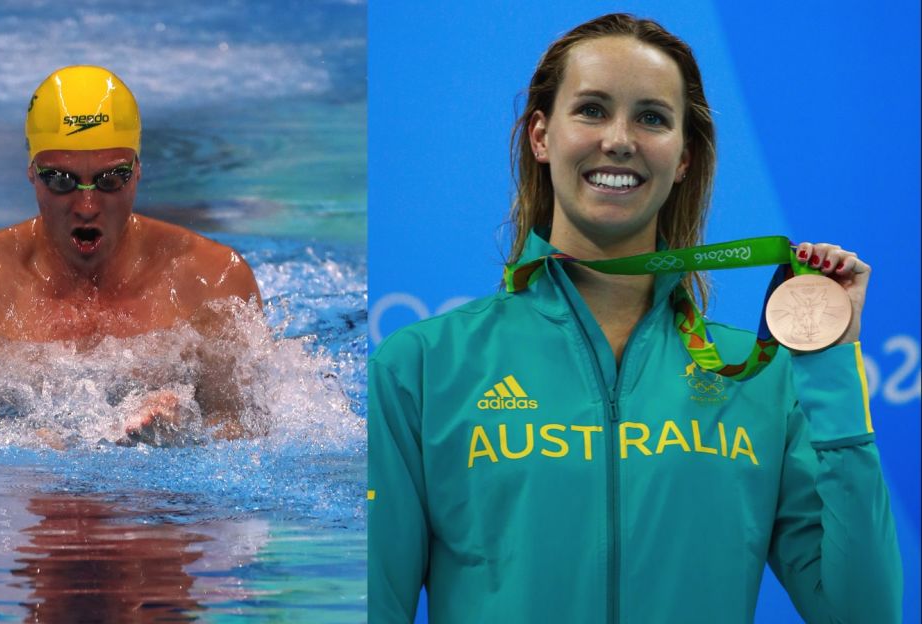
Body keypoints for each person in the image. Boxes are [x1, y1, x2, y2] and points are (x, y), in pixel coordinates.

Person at [367, 13, 901, 623]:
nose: (620, 139)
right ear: (541, 137)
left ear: (683, 159)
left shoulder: (762, 380)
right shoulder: (423, 367)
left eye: (652, 117)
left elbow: (866, 613)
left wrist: (829, 359)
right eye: (591, 109)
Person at [0, 65, 262, 443]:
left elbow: (249, 434)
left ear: (138, 170)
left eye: (111, 179)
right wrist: (22, 449)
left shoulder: (212, 282)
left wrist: (187, 435)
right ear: (32, 173)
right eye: (61, 181)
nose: (86, 205)